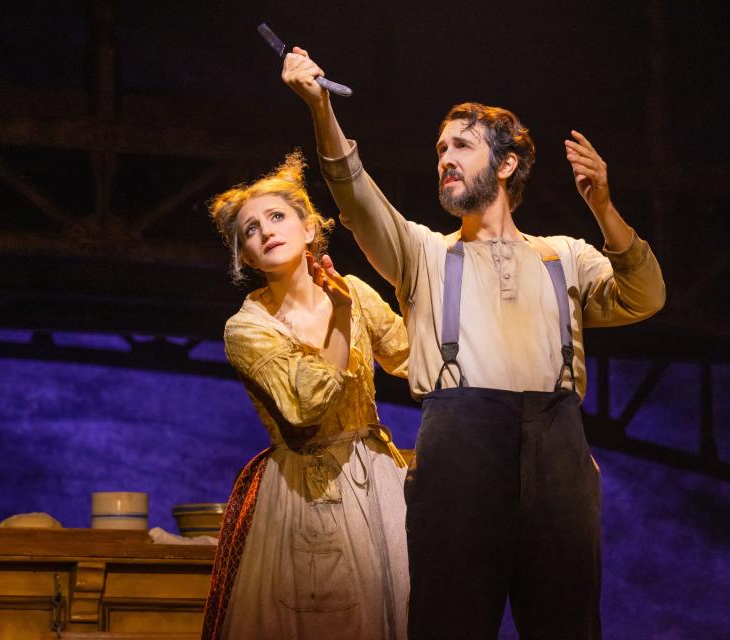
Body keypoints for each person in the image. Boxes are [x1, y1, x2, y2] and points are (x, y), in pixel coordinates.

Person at [281, 48, 666, 639]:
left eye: (461, 146)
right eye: (440, 150)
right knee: (448, 623)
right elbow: (356, 198)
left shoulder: (565, 256)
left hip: (557, 453)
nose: (445, 160)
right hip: (460, 453)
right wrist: (320, 108)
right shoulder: (426, 255)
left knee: (568, 624)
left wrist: (604, 209)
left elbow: (646, 296)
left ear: (507, 165)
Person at [201, 151, 411, 640]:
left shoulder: (353, 290)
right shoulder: (247, 328)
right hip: (307, 490)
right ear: (246, 258)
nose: (266, 231)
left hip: (377, 480)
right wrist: (338, 319)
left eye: (277, 217)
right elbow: (306, 407)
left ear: (310, 229)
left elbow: (412, 357)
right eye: (250, 231)